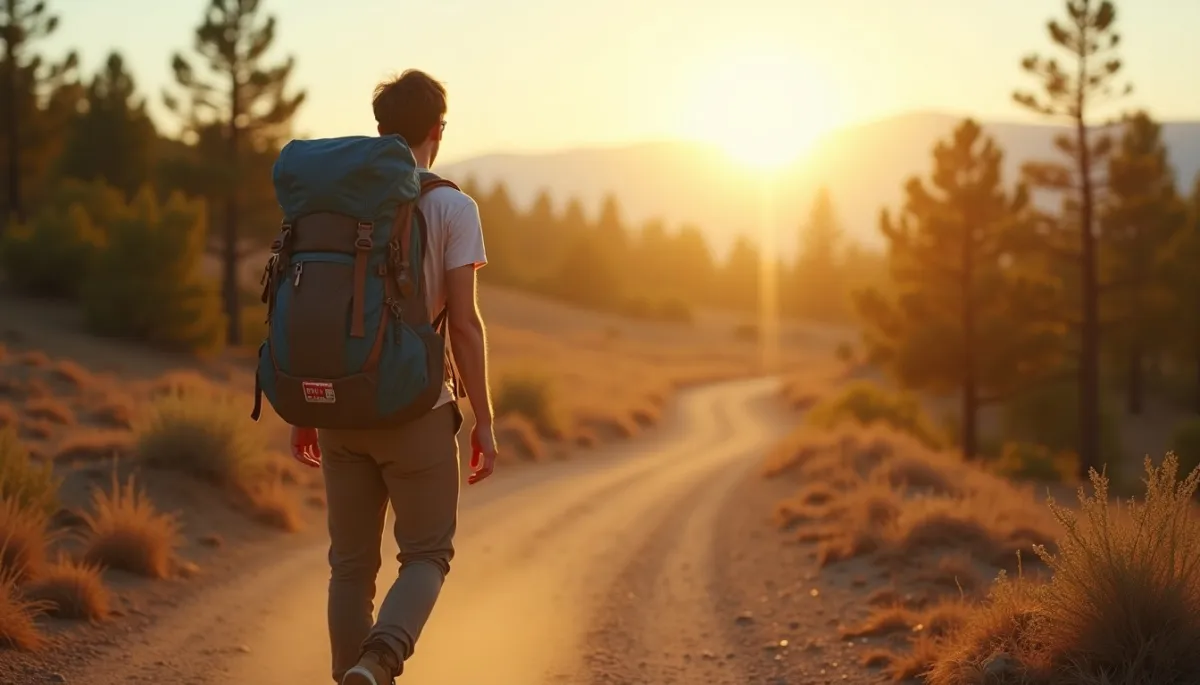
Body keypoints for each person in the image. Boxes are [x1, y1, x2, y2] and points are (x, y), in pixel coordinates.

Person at [288, 69, 499, 685]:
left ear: (381, 128)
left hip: (339, 409)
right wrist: (484, 420)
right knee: (428, 554)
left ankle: (349, 676)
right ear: (439, 129)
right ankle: (380, 661)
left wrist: (307, 405)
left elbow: (314, 311)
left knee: (349, 567)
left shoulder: (336, 202)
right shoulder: (453, 207)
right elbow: (464, 326)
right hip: (416, 411)